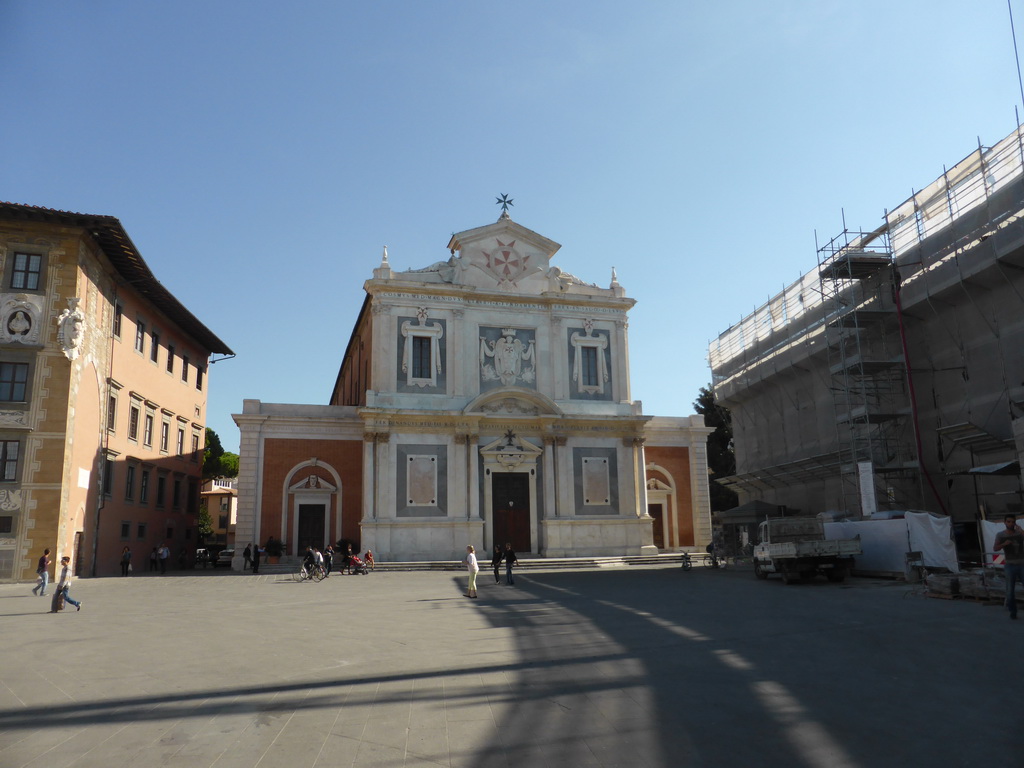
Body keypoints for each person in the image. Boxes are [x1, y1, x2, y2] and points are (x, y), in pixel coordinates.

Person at [995, 514, 1024, 619]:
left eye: (1012, 522)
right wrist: (1004, 544)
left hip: (1022, 564)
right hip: (1010, 565)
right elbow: (995, 548)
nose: (1010, 524)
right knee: (1010, 591)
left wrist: (1021, 531)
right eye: (1008, 521)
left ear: (1015, 523)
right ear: (1005, 522)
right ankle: (1013, 611)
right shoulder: (1000, 535)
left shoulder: (1019, 534)